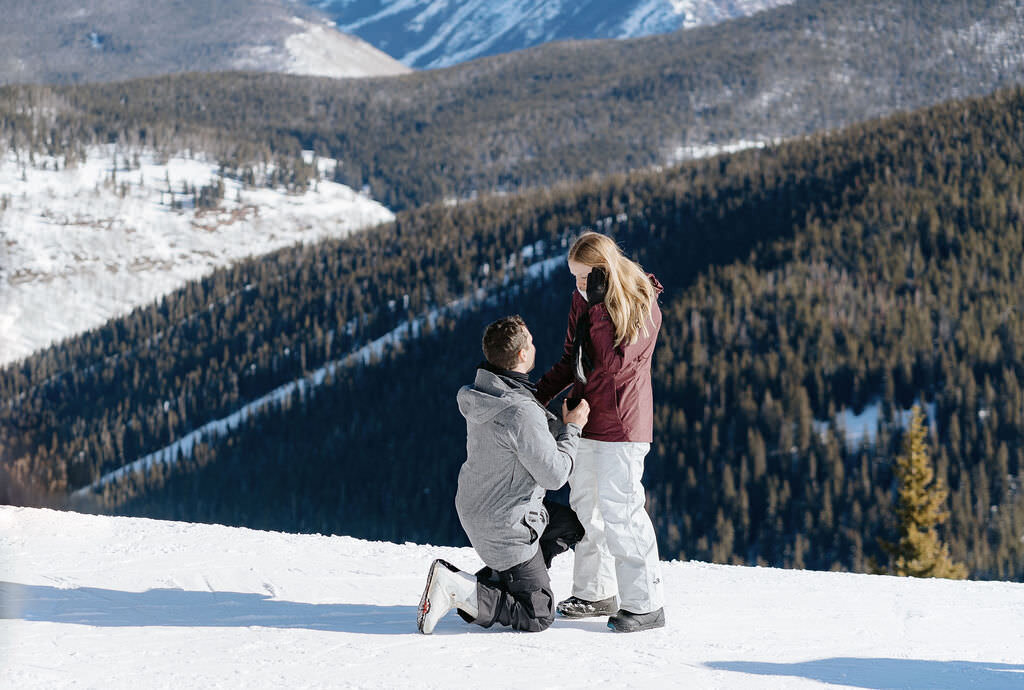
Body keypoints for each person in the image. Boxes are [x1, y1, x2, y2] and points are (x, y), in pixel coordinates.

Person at [417, 315, 591, 634]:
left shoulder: (483, 391)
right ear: (523, 354)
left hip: (483, 506)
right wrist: (573, 429)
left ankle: (502, 581)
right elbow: (555, 477)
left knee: (569, 527)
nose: (534, 346)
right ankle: (464, 591)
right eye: (532, 342)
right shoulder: (519, 411)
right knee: (538, 614)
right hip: (505, 522)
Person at [534, 231, 666, 633]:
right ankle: (595, 592)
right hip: (586, 416)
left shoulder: (640, 300)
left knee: (621, 510)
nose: (577, 285)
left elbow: (615, 366)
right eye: (574, 277)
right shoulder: (583, 298)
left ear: (605, 269)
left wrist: (600, 307)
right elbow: (571, 356)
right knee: (585, 507)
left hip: (623, 423)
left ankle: (646, 604)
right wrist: (534, 395)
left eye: (584, 276)